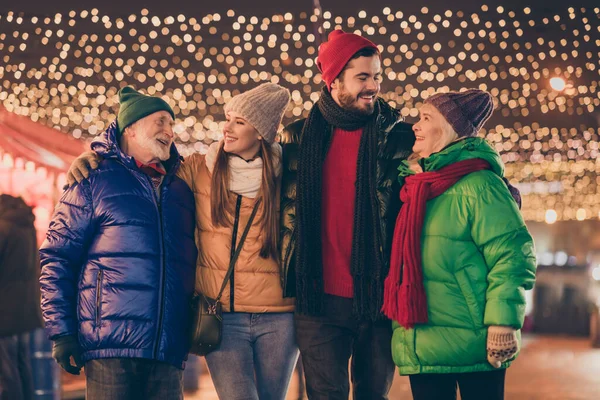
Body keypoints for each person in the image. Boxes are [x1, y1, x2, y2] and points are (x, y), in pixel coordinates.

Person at [66, 83, 299, 400]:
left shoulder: (290, 173)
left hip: (279, 316)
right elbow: (142, 164)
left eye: (239, 121)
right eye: (227, 118)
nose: (226, 127)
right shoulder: (200, 169)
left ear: (261, 132)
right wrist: (94, 159)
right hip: (222, 316)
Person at [279, 29, 415, 399]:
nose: (373, 86)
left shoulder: (399, 138)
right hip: (317, 300)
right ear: (334, 80)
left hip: (376, 296)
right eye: (362, 77)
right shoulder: (296, 139)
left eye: (377, 77)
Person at [39, 87, 197, 400]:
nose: (169, 131)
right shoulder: (93, 179)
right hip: (110, 345)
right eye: (161, 121)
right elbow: (57, 258)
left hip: (166, 346)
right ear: (131, 128)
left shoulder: (182, 187)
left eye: (172, 124)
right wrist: (62, 332)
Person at [381, 89, 537, 400]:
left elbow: (512, 254)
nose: (416, 125)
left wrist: (502, 323)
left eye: (426, 118)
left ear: (451, 130)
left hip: (476, 341)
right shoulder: (414, 188)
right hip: (422, 342)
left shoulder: (480, 185)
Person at [0, 194, 43, 400]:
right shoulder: (26, 226)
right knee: (22, 365)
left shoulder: (3, 228)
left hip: (5, 311)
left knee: (6, 372)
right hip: (26, 309)